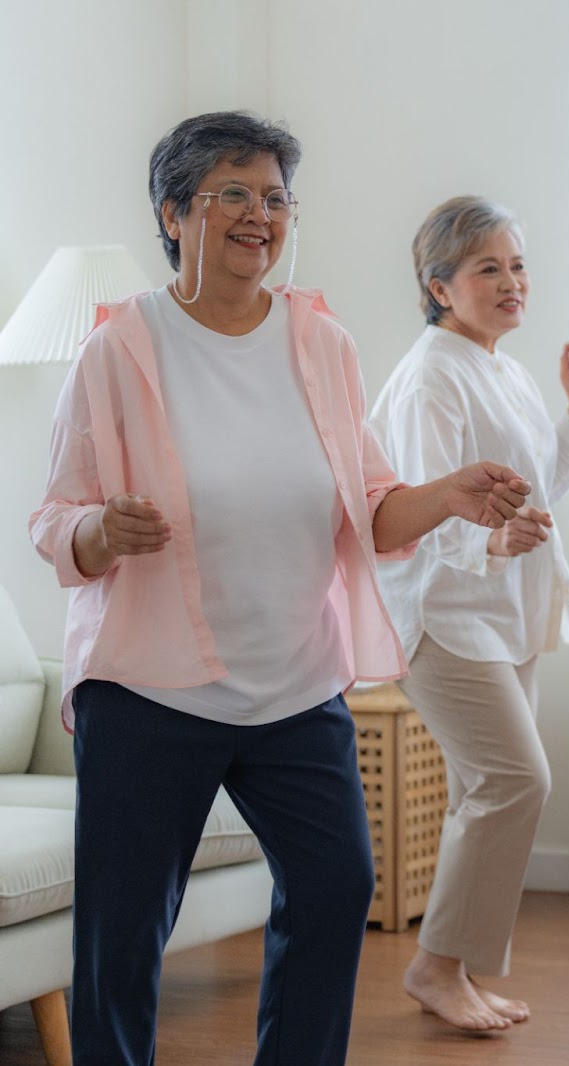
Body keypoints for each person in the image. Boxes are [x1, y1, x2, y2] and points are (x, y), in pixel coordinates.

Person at [28, 112, 532, 1064]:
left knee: (337, 886)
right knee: (123, 932)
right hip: (151, 691)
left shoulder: (321, 343)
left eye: (275, 198)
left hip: (297, 684)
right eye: (234, 195)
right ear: (175, 214)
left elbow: (370, 507)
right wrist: (100, 532)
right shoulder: (119, 350)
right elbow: (56, 518)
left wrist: (452, 494)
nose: (261, 216)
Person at [367, 195, 569, 1031]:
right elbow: (418, 508)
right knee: (517, 780)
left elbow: (534, 489)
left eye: (517, 265)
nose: (513, 283)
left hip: (499, 609)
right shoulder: (428, 379)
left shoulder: (498, 366)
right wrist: (488, 545)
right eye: (488, 269)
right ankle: (437, 967)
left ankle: (457, 973)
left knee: (491, 787)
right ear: (439, 287)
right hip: (445, 615)